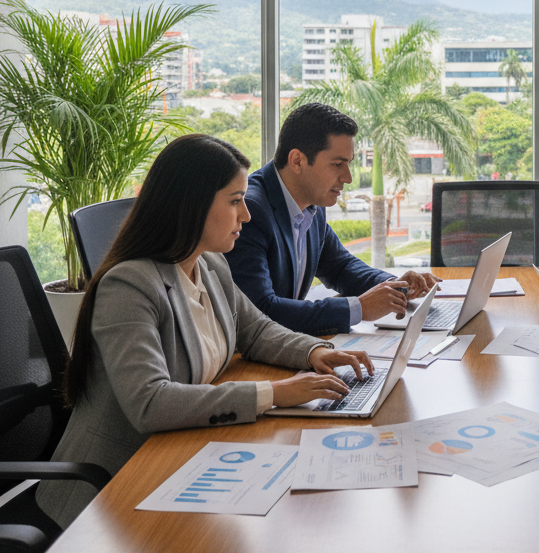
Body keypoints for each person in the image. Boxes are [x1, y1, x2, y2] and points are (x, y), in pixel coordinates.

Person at [37, 134, 376, 528]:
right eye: (235, 202)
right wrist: (274, 393)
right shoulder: (128, 286)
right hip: (114, 490)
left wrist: (314, 352)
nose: (246, 216)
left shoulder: (210, 264)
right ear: (191, 206)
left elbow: (256, 331)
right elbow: (149, 403)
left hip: (181, 457)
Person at [227, 103, 438, 336]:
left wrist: (396, 286)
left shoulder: (310, 201)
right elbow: (261, 312)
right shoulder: (251, 211)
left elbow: (340, 267)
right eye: (337, 164)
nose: (347, 177)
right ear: (297, 160)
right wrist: (358, 309)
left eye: (349, 164)